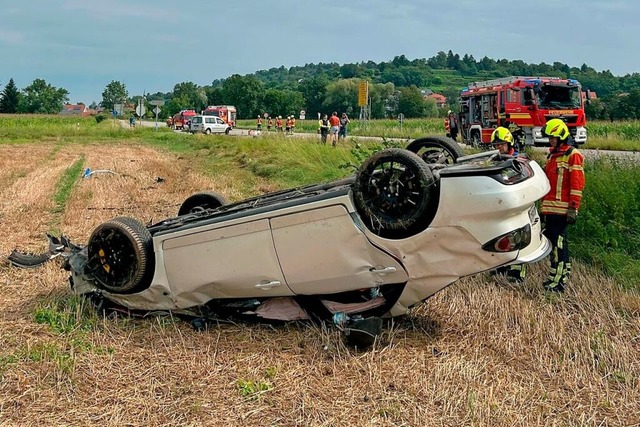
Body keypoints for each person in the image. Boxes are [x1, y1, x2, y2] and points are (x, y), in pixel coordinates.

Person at [540, 118, 585, 292]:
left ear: (561, 137)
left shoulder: (573, 155)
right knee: (555, 244)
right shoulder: (552, 155)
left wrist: (573, 208)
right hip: (550, 209)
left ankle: (558, 282)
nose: (550, 141)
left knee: (558, 245)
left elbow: (577, 184)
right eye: (549, 138)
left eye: (553, 138)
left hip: (561, 210)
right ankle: (556, 275)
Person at [489, 127, 527, 283]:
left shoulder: (519, 160)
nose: (499, 148)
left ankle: (517, 272)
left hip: (518, 204)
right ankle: (501, 266)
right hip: (499, 205)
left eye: (502, 144)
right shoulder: (493, 160)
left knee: (518, 237)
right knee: (499, 236)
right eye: (496, 145)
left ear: (509, 144)